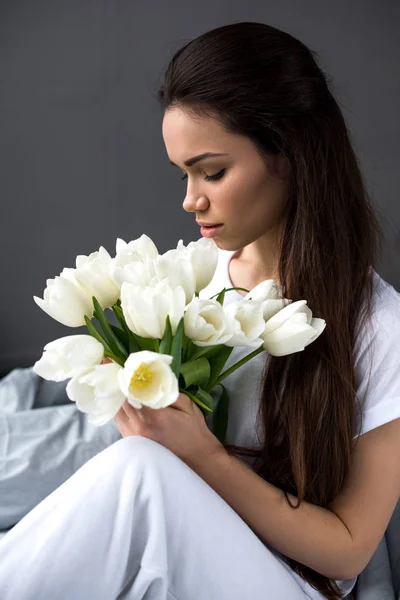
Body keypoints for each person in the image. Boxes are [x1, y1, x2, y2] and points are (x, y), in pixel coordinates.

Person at [0, 20, 399, 600]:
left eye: (212, 172)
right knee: (135, 469)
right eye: (184, 174)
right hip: (179, 548)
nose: (191, 200)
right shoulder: (192, 278)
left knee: (142, 476)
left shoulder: (378, 324)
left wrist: (203, 457)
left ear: (288, 154)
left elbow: (349, 548)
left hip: (288, 580)